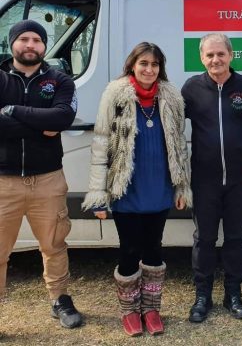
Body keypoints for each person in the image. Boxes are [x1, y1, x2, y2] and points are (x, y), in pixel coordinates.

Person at [82, 42, 192, 337]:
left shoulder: (170, 96)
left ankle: (152, 308)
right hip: (125, 189)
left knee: (154, 250)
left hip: (159, 188)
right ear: (132, 65)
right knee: (129, 251)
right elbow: (101, 142)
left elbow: (180, 144)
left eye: (154, 64)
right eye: (143, 63)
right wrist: (98, 195)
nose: (149, 69)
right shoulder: (116, 94)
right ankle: (130, 311)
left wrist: (181, 186)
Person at [181, 33, 242, 323]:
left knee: (235, 238)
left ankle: (234, 294)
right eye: (209, 55)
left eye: (220, 54)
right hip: (204, 180)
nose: (215, 60)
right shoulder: (192, 88)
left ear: (231, 55)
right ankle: (202, 296)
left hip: (239, 180)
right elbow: (171, 129)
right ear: (201, 58)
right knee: (204, 239)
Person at [0, 20, 82, 329]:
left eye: (37, 39)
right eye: (24, 38)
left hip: (47, 180)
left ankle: (59, 299)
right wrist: (41, 125)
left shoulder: (60, 81)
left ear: (44, 46)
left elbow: (62, 117)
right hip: (3, 180)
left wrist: (12, 112)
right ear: (13, 44)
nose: (30, 44)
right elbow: (49, 122)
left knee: (54, 245)